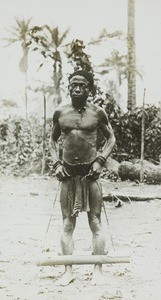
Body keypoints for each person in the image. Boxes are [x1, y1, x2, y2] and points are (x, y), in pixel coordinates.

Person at [50, 70, 115, 286]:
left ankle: (98, 269)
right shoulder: (60, 112)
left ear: (90, 88)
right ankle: (68, 270)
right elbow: (52, 141)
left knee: (95, 222)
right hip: (68, 175)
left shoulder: (98, 113)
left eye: (82, 85)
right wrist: (57, 163)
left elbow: (111, 138)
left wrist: (100, 160)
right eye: (74, 85)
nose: (77, 89)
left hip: (90, 175)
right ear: (68, 87)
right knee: (68, 223)